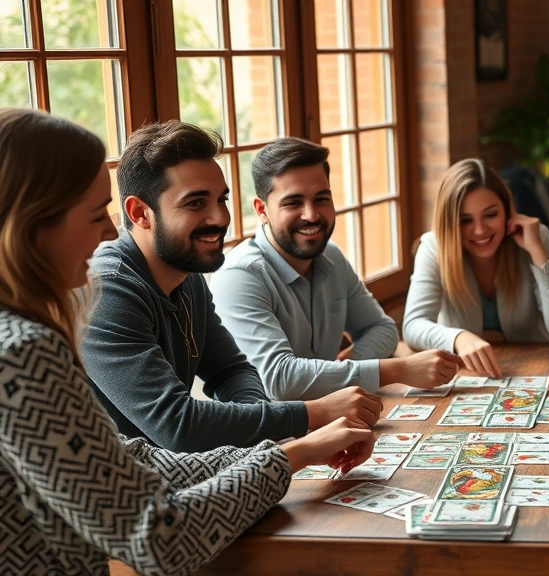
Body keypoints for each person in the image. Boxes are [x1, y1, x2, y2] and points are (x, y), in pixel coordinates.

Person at [0, 108, 375, 575]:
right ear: (33, 223)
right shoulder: (22, 351)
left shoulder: (183, 276)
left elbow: (132, 459)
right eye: (97, 214)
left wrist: (295, 444)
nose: (105, 232)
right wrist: (297, 440)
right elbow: (157, 538)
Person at [81, 121, 382, 453]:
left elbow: (231, 371)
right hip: (119, 494)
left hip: (185, 477)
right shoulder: (106, 289)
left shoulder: (187, 271)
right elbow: (180, 425)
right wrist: (315, 414)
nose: (220, 218)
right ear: (140, 213)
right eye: (196, 203)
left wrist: (263, 435)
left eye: (221, 200)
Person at [210, 138, 462, 401]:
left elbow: (382, 329)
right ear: (262, 210)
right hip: (267, 437)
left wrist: (345, 369)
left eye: (321, 199)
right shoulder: (239, 276)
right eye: (293, 203)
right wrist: (398, 369)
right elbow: (280, 380)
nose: (311, 214)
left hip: (334, 418)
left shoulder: (330, 256)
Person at [403, 158, 549, 377]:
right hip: (467, 375)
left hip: (540, 369)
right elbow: (412, 327)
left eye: (490, 215)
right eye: (464, 220)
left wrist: (538, 252)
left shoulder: (537, 237)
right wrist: (458, 337)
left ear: (508, 211)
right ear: (449, 222)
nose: (479, 230)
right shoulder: (433, 247)